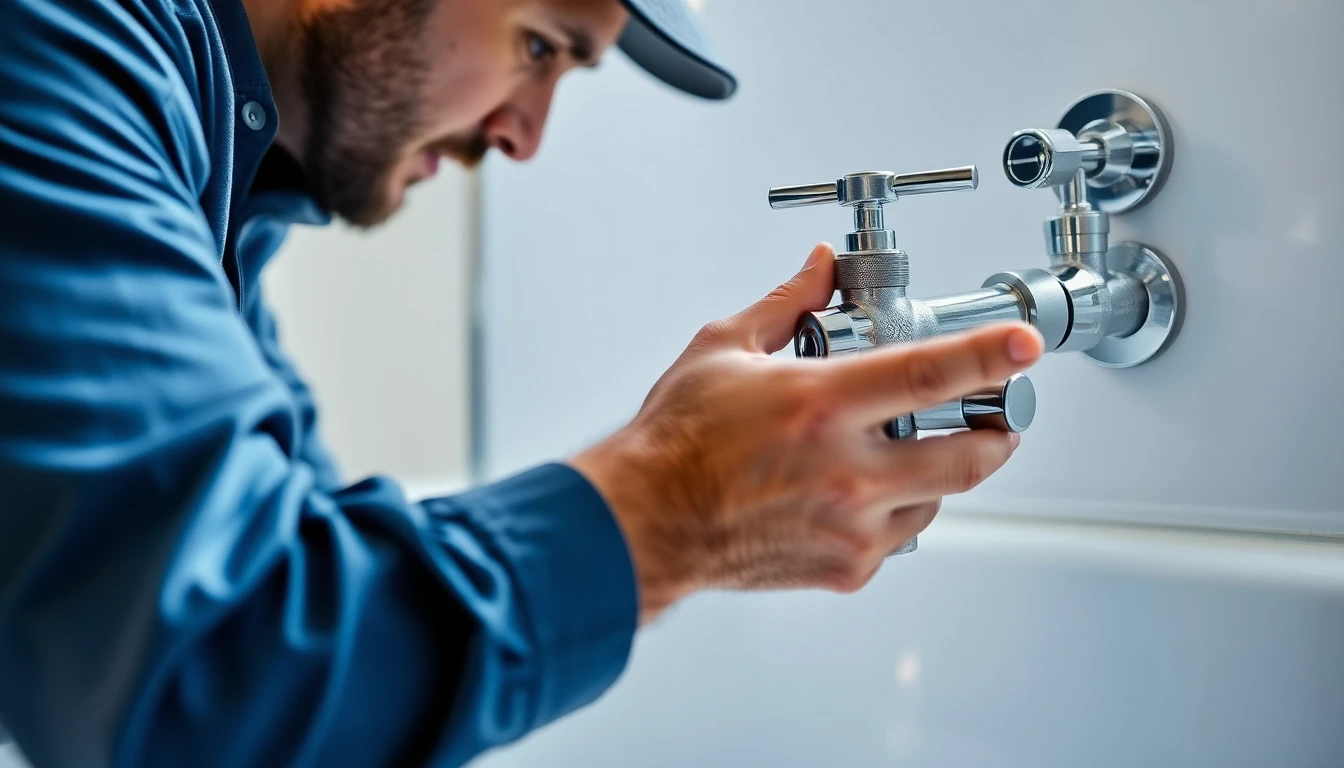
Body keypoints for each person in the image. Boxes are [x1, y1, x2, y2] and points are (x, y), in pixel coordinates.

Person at [0, 0, 1045, 765]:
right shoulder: (59, 42)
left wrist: (679, 498)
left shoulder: (218, 169)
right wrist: (667, 508)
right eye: (540, 46)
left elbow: (303, 593)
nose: (524, 135)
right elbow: (207, 684)